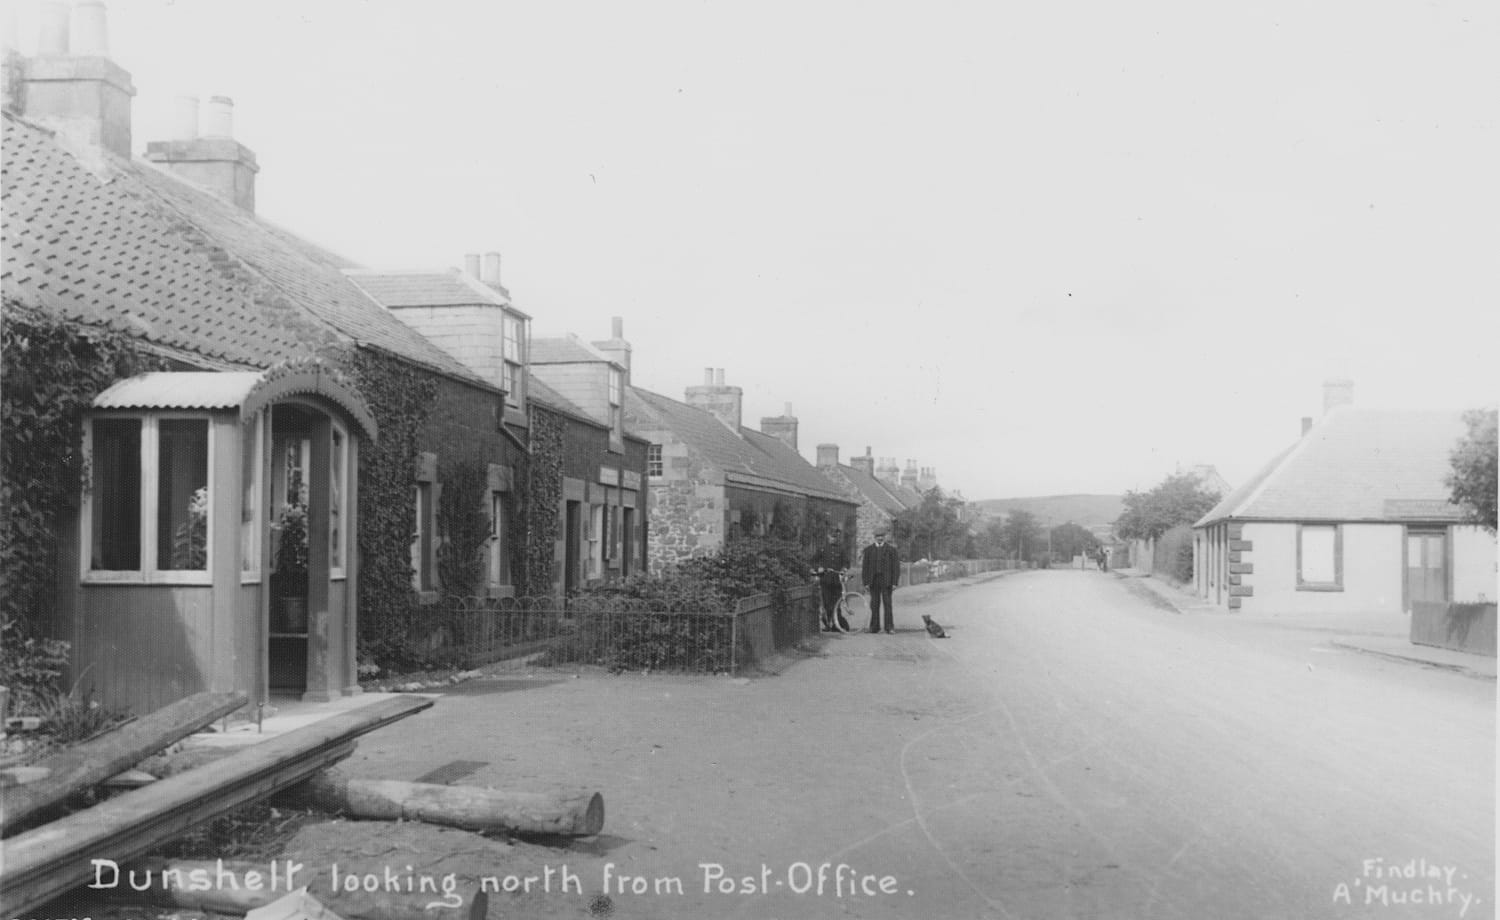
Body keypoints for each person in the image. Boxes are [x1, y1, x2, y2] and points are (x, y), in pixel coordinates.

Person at [861, 525, 901, 634]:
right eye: (878, 536)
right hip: (873, 580)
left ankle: (889, 627)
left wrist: (894, 582)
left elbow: (896, 568)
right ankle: (874, 627)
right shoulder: (869, 550)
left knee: (887, 604)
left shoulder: (891, 550)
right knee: (874, 604)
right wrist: (865, 582)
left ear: (885, 537)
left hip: (886, 580)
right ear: (874, 537)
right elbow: (865, 568)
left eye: (882, 536)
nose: (880, 538)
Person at [810, 529, 850, 631]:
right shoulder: (822, 549)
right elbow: (813, 561)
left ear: (837, 537)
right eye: (832, 537)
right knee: (827, 604)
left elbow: (846, 562)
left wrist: (844, 569)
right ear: (828, 536)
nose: (833, 538)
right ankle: (828, 624)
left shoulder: (841, 549)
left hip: (837, 581)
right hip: (826, 580)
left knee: (837, 604)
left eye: (835, 537)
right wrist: (818, 567)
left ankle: (837, 625)